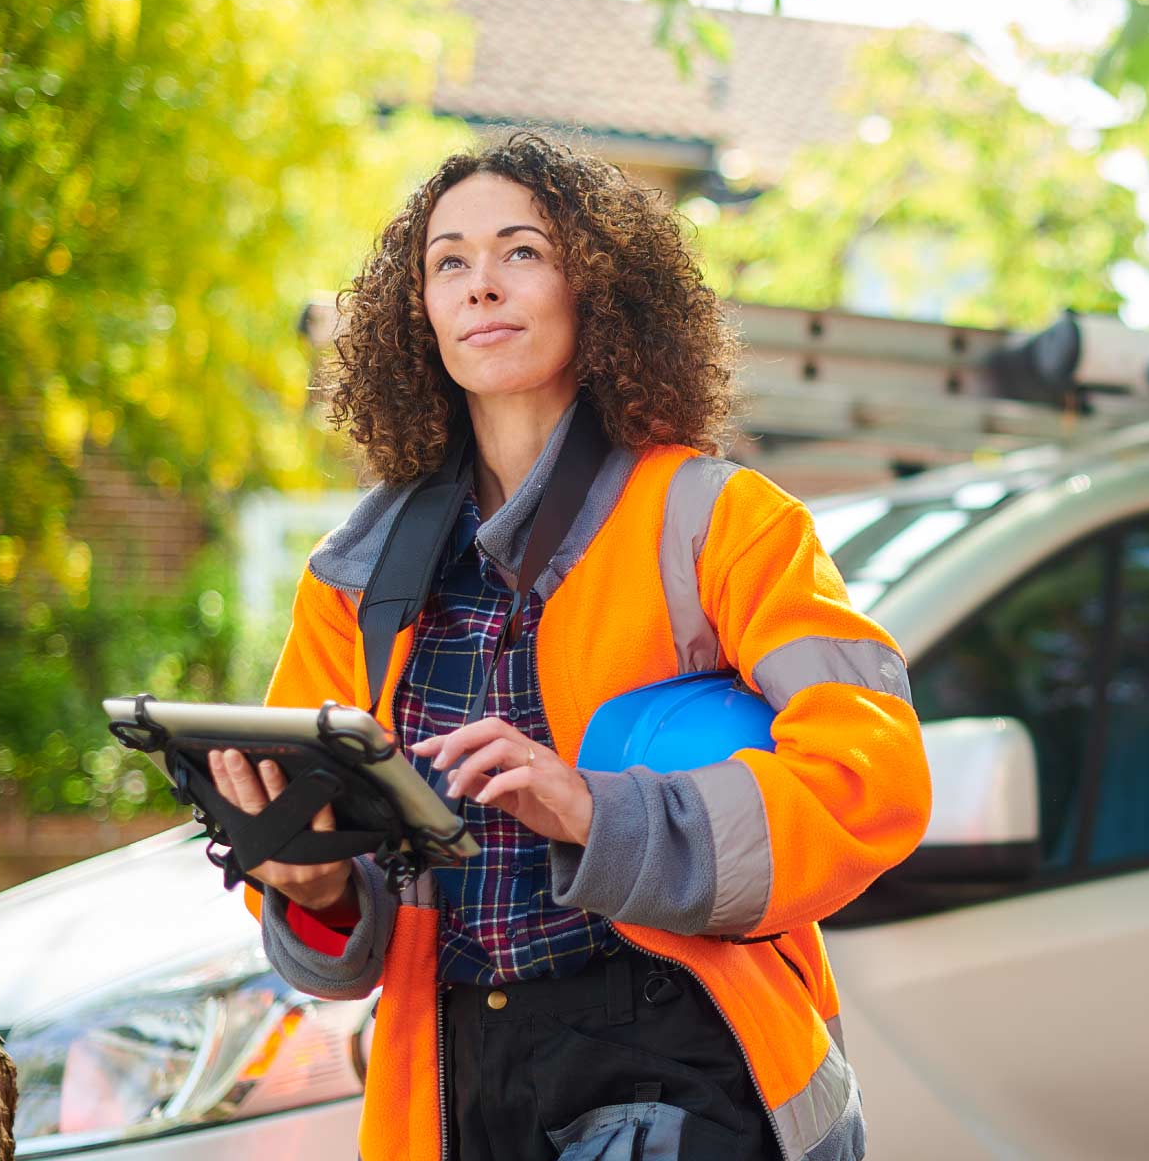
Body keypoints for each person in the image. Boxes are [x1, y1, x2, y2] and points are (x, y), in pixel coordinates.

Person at [203, 131, 930, 1161]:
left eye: (522, 253)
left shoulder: (722, 521)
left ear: (596, 288)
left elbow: (875, 776)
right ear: (421, 314)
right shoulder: (352, 578)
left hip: (681, 1056)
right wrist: (310, 882)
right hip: (456, 1069)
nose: (480, 285)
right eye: (448, 262)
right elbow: (341, 935)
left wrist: (598, 811)